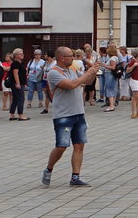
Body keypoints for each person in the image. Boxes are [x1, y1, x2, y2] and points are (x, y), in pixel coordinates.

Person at [42, 46, 100, 188]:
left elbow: (85, 81)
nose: (73, 58)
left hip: (78, 112)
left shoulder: (72, 69)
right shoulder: (53, 73)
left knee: (79, 145)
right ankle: (49, 169)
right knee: (61, 146)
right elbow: (72, 85)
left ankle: (75, 176)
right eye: (70, 56)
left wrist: (93, 71)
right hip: (64, 115)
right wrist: (89, 72)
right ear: (61, 58)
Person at [6, 49, 28, 120]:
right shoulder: (15, 63)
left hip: (19, 83)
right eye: (19, 53)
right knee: (21, 99)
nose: (22, 54)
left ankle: (12, 115)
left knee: (15, 99)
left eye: (22, 53)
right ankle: (20, 115)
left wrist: (24, 83)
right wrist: (18, 83)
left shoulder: (20, 63)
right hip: (16, 84)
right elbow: (15, 73)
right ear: (15, 55)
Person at [101, 44, 121, 111]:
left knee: (109, 89)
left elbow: (113, 67)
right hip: (112, 75)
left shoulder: (112, 59)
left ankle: (111, 105)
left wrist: (104, 65)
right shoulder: (116, 58)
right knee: (113, 89)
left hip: (109, 74)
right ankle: (113, 104)